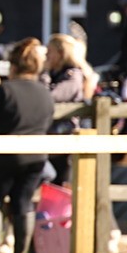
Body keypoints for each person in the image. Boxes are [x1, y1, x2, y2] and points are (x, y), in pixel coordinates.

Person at [0, 37, 53, 253]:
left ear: (13, 65)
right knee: (24, 203)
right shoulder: (45, 93)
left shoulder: (3, 91)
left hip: (1, 156)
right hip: (36, 157)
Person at [43, 33, 96, 185]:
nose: (46, 55)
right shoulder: (55, 74)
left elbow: (50, 97)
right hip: (51, 137)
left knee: (61, 183)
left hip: (65, 137)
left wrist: (44, 75)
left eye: (49, 52)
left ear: (60, 54)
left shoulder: (73, 75)